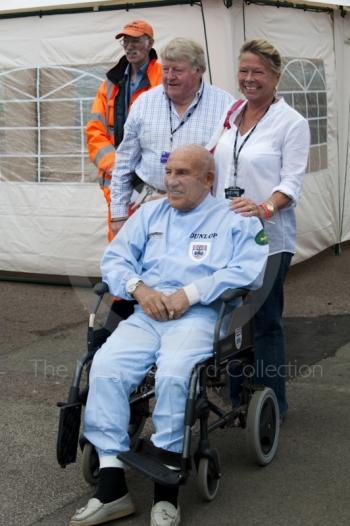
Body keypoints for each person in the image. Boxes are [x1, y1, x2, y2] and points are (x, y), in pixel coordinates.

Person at [69, 145, 268, 526]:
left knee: (176, 375)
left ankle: (166, 493)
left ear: (208, 180)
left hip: (199, 315)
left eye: (183, 174)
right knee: (105, 368)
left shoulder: (235, 218)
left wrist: (189, 294)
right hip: (149, 311)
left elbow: (248, 271)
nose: (171, 181)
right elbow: (115, 259)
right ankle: (112, 487)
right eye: (169, 171)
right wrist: (140, 289)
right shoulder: (150, 213)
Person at [207, 39, 310, 420]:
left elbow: (292, 182)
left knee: (265, 320)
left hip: (269, 239)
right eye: (244, 71)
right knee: (233, 318)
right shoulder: (233, 114)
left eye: (258, 72)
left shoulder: (292, 123)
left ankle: (271, 405)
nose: (249, 79)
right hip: (226, 235)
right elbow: (214, 163)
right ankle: (238, 402)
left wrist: (264, 207)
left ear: (276, 76)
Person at [109, 37, 234, 236]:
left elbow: (231, 166)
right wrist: (118, 214)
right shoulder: (144, 103)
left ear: (198, 70)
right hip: (146, 204)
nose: (169, 76)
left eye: (177, 70)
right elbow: (124, 162)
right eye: (165, 69)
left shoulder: (226, 106)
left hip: (201, 211)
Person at [86, 19, 162, 241]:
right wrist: (117, 165)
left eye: (136, 41)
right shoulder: (110, 83)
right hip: (117, 178)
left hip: (151, 178)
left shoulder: (163, 78)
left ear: (149, 44)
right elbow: (94, 131)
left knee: (153, 236)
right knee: (119, 239)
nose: (130, 46)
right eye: (126, 41)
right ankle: (119, 276)